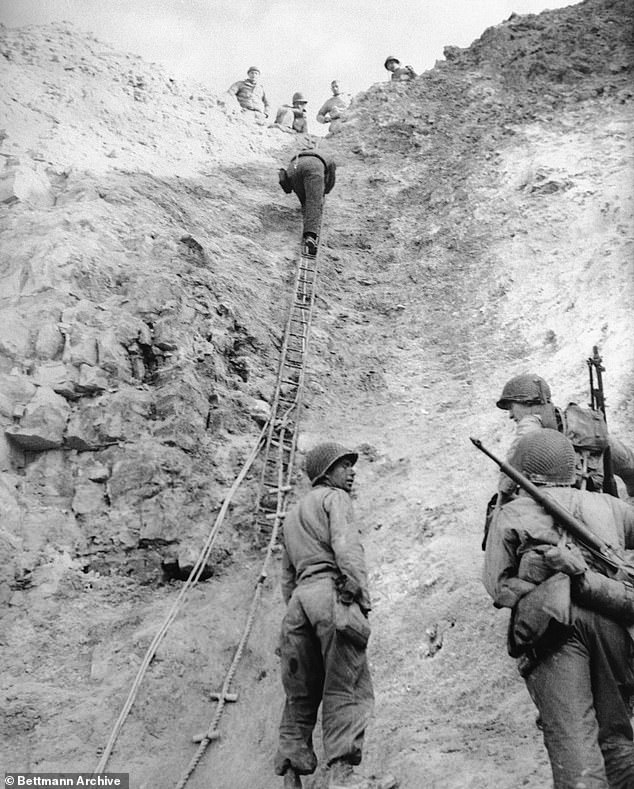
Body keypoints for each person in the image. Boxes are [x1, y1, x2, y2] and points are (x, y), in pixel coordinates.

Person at [483, 428, 634, 788]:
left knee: (573, 742)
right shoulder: (612, 507)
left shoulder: (513, 513)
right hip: (612, 621)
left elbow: (496, 586)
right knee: (616, 736)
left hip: (554, 629)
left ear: (524, 472)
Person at [274, 442, 375, 789]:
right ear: (326, 473)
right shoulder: (335, 499)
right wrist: (358, 593)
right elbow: (346, 547)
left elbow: (286, 576)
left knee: (300, 692)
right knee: (345, 682)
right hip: (330, 594)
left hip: (298, 603)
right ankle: (341, 777)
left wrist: (295, 611)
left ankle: (291, 772)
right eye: (344, 466)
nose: (351, 471)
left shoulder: (291, 515)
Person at [496, 373, 634, 501]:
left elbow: (505, 486)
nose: (510, 415)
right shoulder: (586, 432)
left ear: (528, 403)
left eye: (511, 407)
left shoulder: (528, 432)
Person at [278, 147, 336, 256]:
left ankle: (307, 215)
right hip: (314, 167)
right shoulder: (328, 158)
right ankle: (310, 236)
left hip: (294, 167)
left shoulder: (301, 154)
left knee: (306, 202)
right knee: (314, 203)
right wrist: (323, 192)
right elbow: (331, 181)